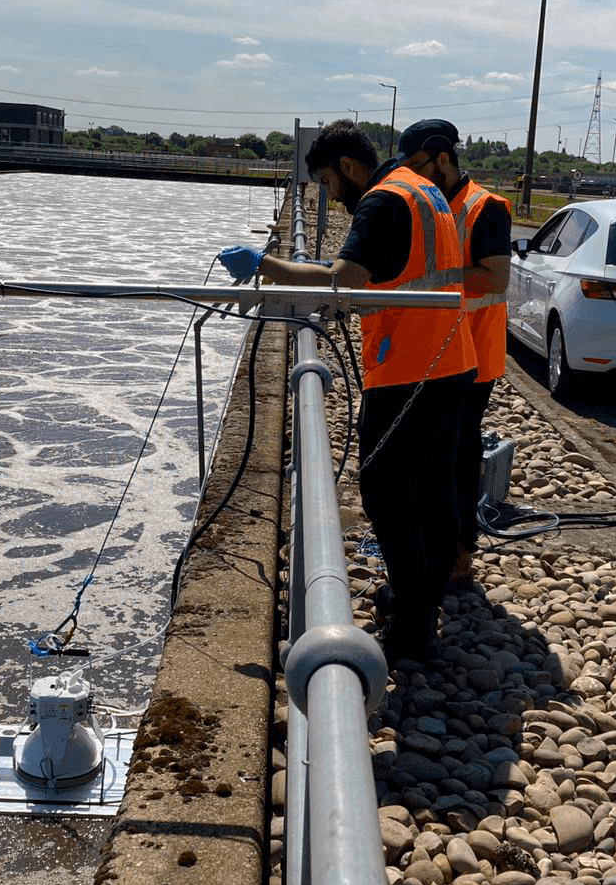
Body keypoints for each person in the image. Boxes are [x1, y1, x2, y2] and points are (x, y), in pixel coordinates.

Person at [217, 119, 475, 666]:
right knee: (432, 490)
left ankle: (412, 628)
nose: (331, 199)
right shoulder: (423, 188)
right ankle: (420, 604)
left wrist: (265, 266)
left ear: (348, 167)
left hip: (410, 366)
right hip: (451, 359)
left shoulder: (381, 201)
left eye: (329, 184)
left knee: (385, 491)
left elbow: (343, 279)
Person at [395, 119, 511, 586]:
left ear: (443, 158)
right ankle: (433, 540)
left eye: (420, 166)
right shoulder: (431, 204)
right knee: (431, 452)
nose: (416, 176)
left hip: (474, 355)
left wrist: (423, 283)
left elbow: (494, 279)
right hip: (436, 350)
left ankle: (460, 550)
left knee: (458, 453)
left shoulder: (486, 207)